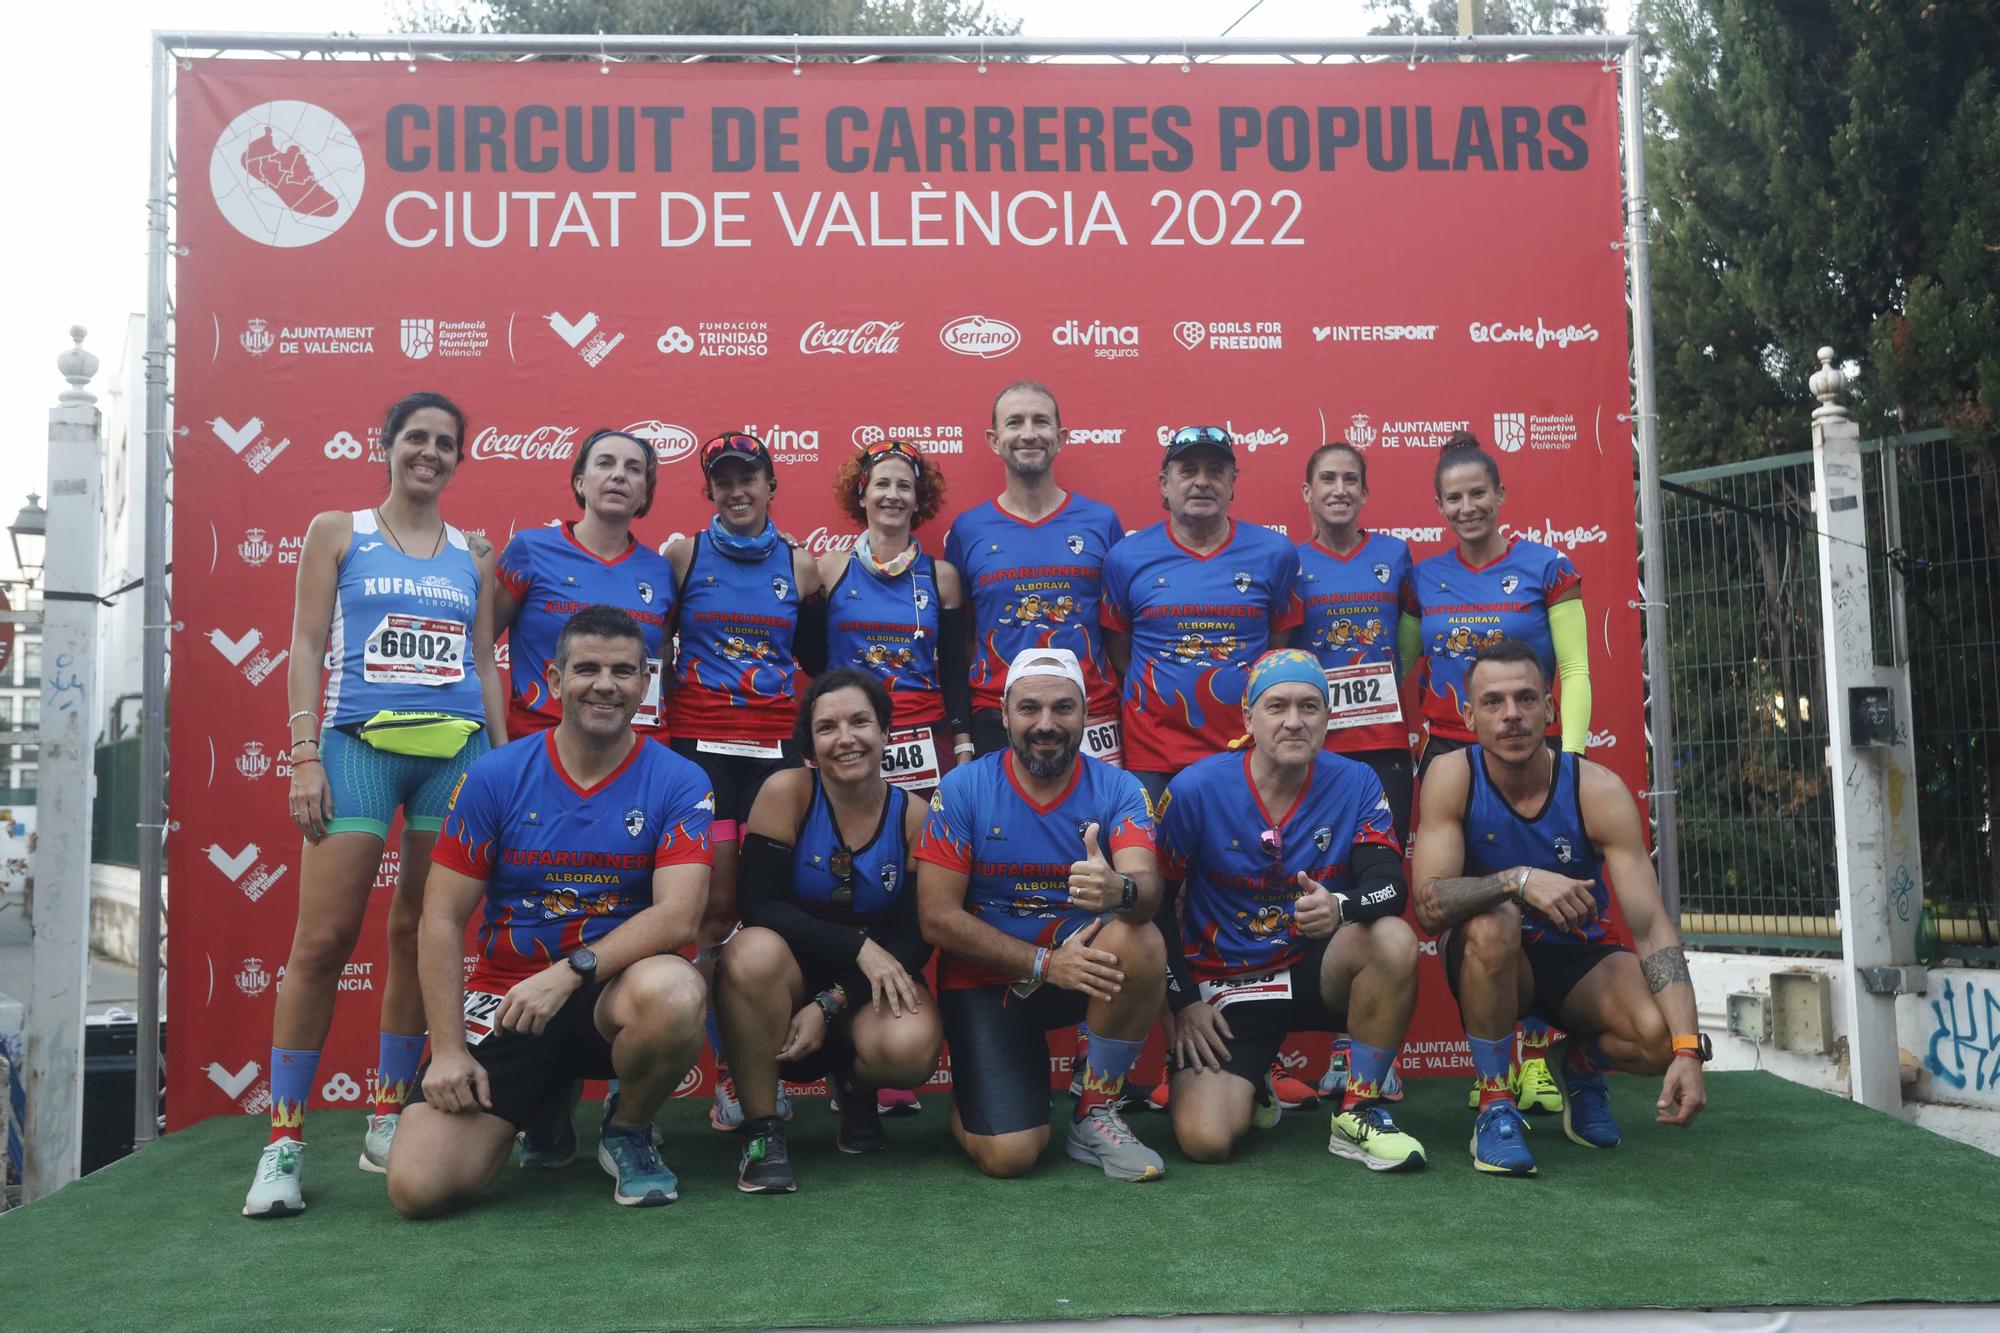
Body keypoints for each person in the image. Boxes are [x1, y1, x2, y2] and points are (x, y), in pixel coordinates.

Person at [245, 391, 505, 1219]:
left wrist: (496, 764)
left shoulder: (474, 549)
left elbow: (484, 663)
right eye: (415, 439)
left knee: (417, 933)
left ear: (460, 459)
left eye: (445, 444)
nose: (429, 453)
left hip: (454, 750)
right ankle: (282, 1140)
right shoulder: (338, 530)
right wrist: (302, 753)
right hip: (358, 747)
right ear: (386, 445)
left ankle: (386, 1119)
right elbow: (307, 644)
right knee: (321, 941)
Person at [384, 606, 714, 1214]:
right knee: (419, 1190)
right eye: (586, 668)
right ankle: (546, 1107)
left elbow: (678, 918)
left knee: (675, 992)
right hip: (511, 1000)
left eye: (623, 670)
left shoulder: (680, 779)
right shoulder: (494, 775)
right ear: (555, 681)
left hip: (610, 992)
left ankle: (628, 1129)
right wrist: (451, 1050)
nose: (605, 685)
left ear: (646, 682)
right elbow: (440, 918)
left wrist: (567, 974)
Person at [1411, 637, 1708, 1177]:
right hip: (1495, 958)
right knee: (1493, 920)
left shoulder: (1596, 789)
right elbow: (1430, 907)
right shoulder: (1452, 775)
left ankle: (1575, 1063)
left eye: (1527, 699)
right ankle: (1496, 1104)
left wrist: (1688, 1049)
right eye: (1493, 703)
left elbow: (1649, 926)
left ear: (1550, 708)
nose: (1511, 716)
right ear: (1468, 714)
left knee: (1660, 1036)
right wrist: (1516, 880)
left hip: (1577, 961)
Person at [1156, 650, 1426, 1171]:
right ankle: (1252, 1081)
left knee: (1391, 938)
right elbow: (1157, 906)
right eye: (1277, 706)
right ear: (1247, 717)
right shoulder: (1195, 788)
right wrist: (1184, 1002)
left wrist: (1341, 906)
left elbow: (1390, 889)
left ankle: (1359, 1111)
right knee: (1205, 1142)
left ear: (1328, 718)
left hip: (1312, 969)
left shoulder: (1357, 781)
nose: (1294, 721)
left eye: (1310, 707)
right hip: (1229, 989)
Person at [915, 647, 1169, 1182]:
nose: (1046, 724)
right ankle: (983, 1098)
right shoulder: (964, 787)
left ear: (1085, 716)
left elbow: (1148, 888)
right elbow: (935, 917)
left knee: (1140, 938)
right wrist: (1043, 963)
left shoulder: (1119, 788)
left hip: (1085, 974)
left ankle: (1095, 1111)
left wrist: (1119, 889)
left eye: (1064, 708)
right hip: (991, 982)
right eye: (1029, 709)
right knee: (1010, 1156)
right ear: (1004, 715)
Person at [1405, 430, 1592, 1113]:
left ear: (1501, 494)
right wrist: (1411, 748)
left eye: (1478, 492)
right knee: (1476, 903)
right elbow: (1404, 670)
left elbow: (1572, 670)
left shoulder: (1546, 566)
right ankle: (1495, 1067)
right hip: (1454, 766)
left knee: (1546, 901)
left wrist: (1565, 763)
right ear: (1439, 506)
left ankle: (1540, 1058)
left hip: (1529, 760)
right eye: (1452, 497)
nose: (1467, 507)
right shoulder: (1421, 576)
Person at [717, 668, 941, 1192]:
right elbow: (758, 904)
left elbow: (914, 939)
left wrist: (831, 1003)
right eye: (827, 727)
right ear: (810, 745)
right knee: (750, 952)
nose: (845, 738)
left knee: (910, 1049)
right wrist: (857, 946)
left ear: (885, 732)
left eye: (860, 721)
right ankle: (761, 1130)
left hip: (868, 985)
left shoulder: (916, 816)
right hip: (789, 972)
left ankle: (856, 1087)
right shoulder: (786, 791)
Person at [663, 433, 826, 1132]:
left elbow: (819, 658)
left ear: (770, 484)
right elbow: (643, 645)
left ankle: (739, 1076)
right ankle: (656, 1074)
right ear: (710, 490)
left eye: (748, 478)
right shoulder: (682, 555)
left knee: (758, 911)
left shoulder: (802, 564)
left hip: (771, 752)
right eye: (723, 480)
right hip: (698, 751)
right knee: (707, 909)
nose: (736, 490)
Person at [1101, 425, 1301, 811]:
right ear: (1164, 483)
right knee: (1153, 868)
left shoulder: (1276, 553)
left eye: (1215, 471)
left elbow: (1277, 651)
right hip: (1153, 756)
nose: (1202, 482)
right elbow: (1121, 654)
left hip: (1246, 752)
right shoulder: (1125, 557)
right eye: (1188, 470)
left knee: (1242, 866)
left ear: (1232, 483)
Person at [944, 381, 1127, 762]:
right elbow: (962, 638)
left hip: (1090, 715)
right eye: (1015, 423)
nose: (1028, 433)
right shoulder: (968, 530)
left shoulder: (1101, 521)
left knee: (1097, 823)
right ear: (995, 440)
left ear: (1060, 438)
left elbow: (1119, 634)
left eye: (1040, 422)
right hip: (997, 717)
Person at [494, 429, 675, 741]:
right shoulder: (529, 550)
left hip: (638, 752)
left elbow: (661, 661)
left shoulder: (660, 571)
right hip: (539, 747)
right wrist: (497, 746)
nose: (619, 475)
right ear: (579, 481)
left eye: (633, 469)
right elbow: (479, 649)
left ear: (645, 493)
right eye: (605, 463)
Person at [819, 438, 973, 796]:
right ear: (861, 495)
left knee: (926, 846)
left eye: (905, 486)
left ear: (919, 500)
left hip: (925, 736)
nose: (893, 495)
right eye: (882, 484)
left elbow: (953, 667)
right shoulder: (828, 569)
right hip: (850, 736)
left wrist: (963, 743)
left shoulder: (942, 577)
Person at [1293, 442, 1416, 846]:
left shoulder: (1395, 554)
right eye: (1328, 479)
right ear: (1308, 492)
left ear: (1364, 492)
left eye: (1351, 480)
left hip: (1385, 741)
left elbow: (1408, 643)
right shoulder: (1289, 562)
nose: (1340, 489)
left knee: (1382, 860)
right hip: (1315, 742)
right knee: (1318, 858)